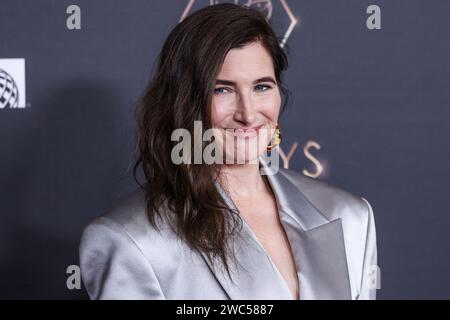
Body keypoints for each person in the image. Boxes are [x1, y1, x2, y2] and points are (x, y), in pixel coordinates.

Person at [79, 3, 377, 300]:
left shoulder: (349, 216)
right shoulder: (132, 241)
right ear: (185, 102)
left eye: (261, 87)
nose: (248, 114)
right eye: (222, 89)